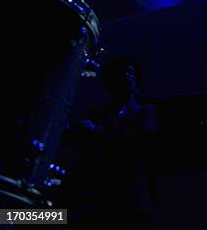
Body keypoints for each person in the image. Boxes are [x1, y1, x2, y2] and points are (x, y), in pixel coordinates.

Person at [66, 57, 157, 227]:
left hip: (129, 200)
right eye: (121, 73)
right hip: (97, 198)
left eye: (130, 72)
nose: (126, 76)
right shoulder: (96, 113)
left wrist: (96, 131)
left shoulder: (146, 112)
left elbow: (138, 140)